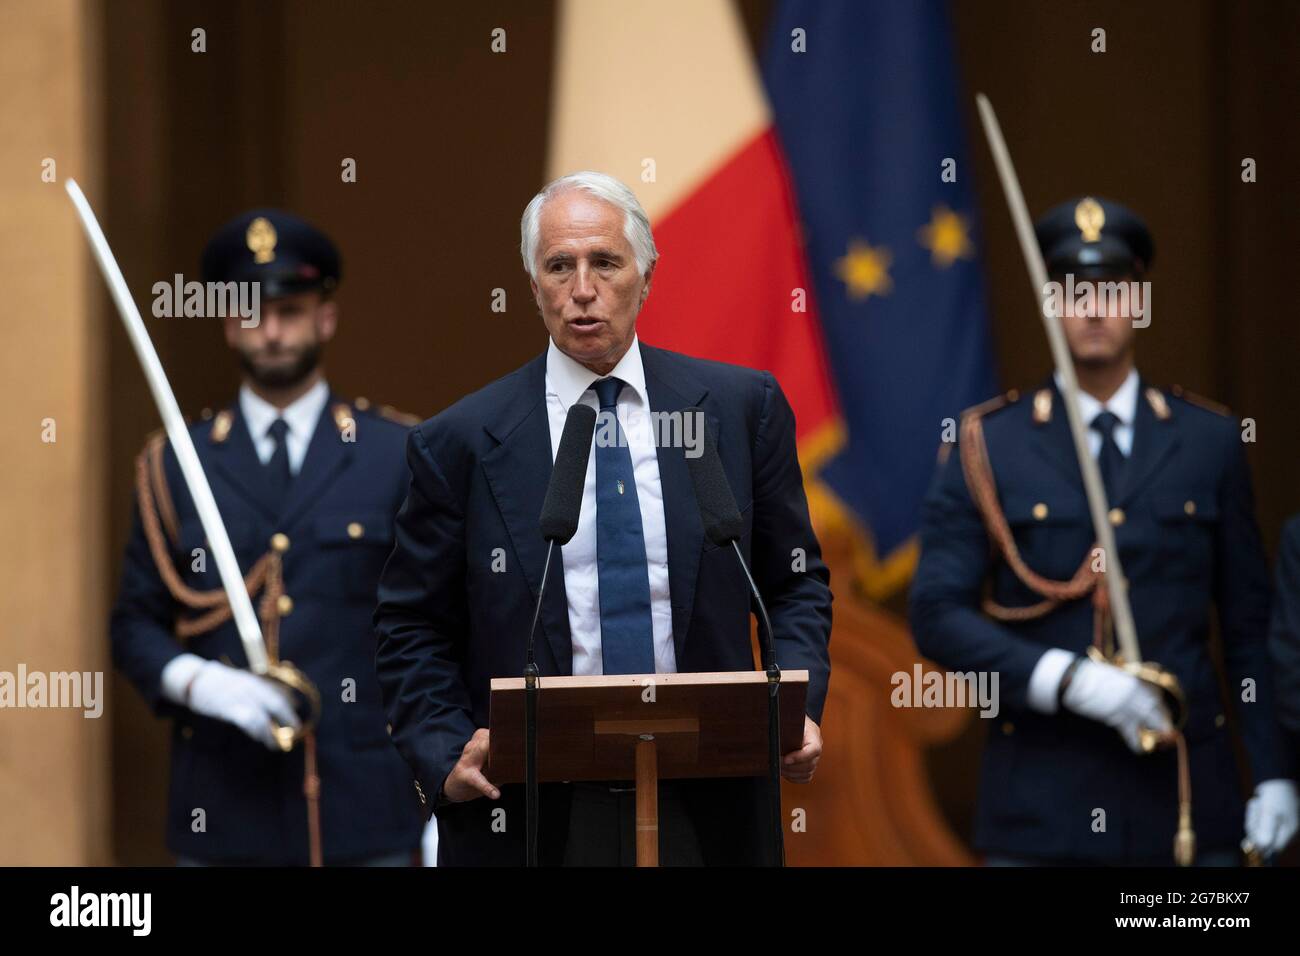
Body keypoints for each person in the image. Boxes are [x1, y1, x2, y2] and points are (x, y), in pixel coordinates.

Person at [374, 171, 832, 865]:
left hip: (709, 800)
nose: (582, 288)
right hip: (531, 810)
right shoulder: (460, 440)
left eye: (605, 263)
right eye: (559, 266)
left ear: (646, 276)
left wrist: (793, 703)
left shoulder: (738, 409)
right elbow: (411, 623)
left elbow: (793, 583)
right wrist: (444, 751)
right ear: (533, 285)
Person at [910, 196, 1297, 865]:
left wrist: (1272, 773)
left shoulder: (1210, 441)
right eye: (1071, 291)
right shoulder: (989, 445)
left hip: (1183, 806)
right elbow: (937, 612)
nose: (1092, 308)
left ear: (1140, 303)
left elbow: (1249, 628)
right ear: (1050, 304)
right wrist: (1062, 678)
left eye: (1112, 291)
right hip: (1041, 808)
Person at [110, 209, 425, 865]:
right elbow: (134, 624)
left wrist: (440, 798)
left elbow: (438, 628)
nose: (273, 330)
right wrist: (196, 681)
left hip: (367, 813)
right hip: (223, 812)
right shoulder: (176, 463)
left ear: (326, 317)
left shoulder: (393, 453)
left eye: (291, 309)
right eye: (253, 312)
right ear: (230, 323)